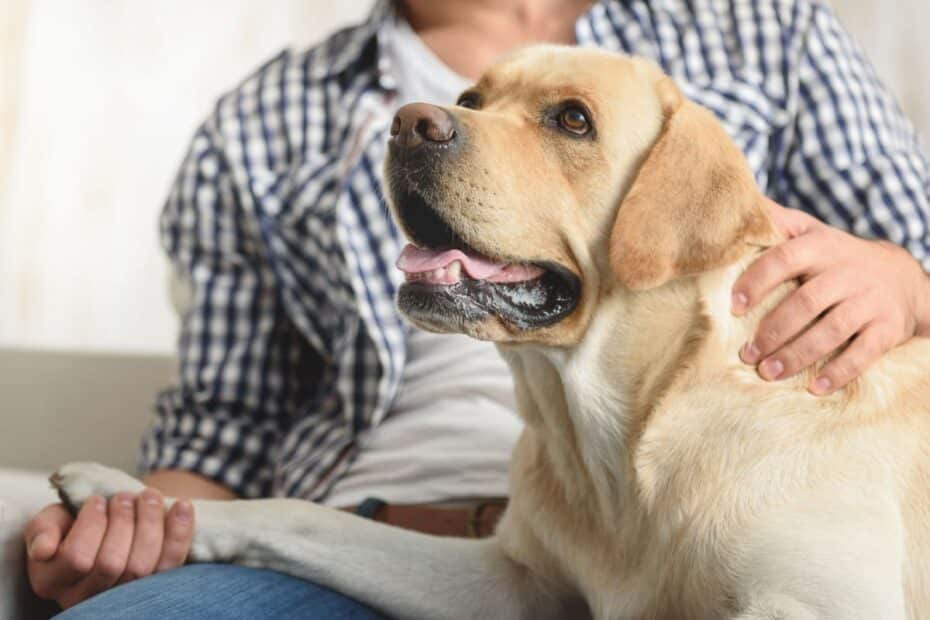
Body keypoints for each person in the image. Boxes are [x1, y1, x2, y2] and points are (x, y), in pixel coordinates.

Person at [24, 0, 930, 617]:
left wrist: (906, 277)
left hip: (707, 474)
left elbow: (913, 269)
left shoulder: (766, 28)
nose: (443, 125)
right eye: (472, 107)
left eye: (567, 122)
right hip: (406, 538)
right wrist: (145, 532)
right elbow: (223, 425)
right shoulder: (263, 116)